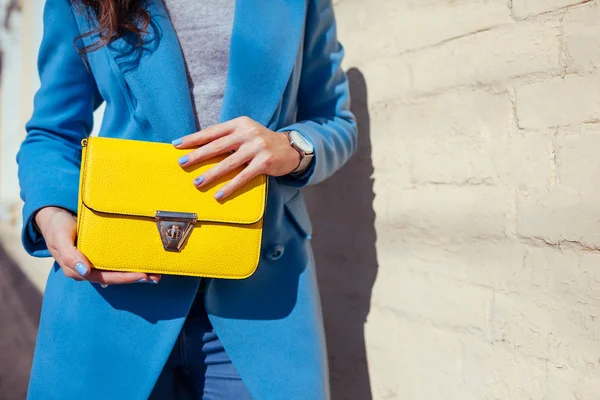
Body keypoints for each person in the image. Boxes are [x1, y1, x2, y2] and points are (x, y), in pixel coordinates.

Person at [16, 0, 357, 397]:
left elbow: (335, 120)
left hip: (262, 292)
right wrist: (51, 210)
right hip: (118, 286)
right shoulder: (78, 3)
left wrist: (293, 146)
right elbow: (51, 133)